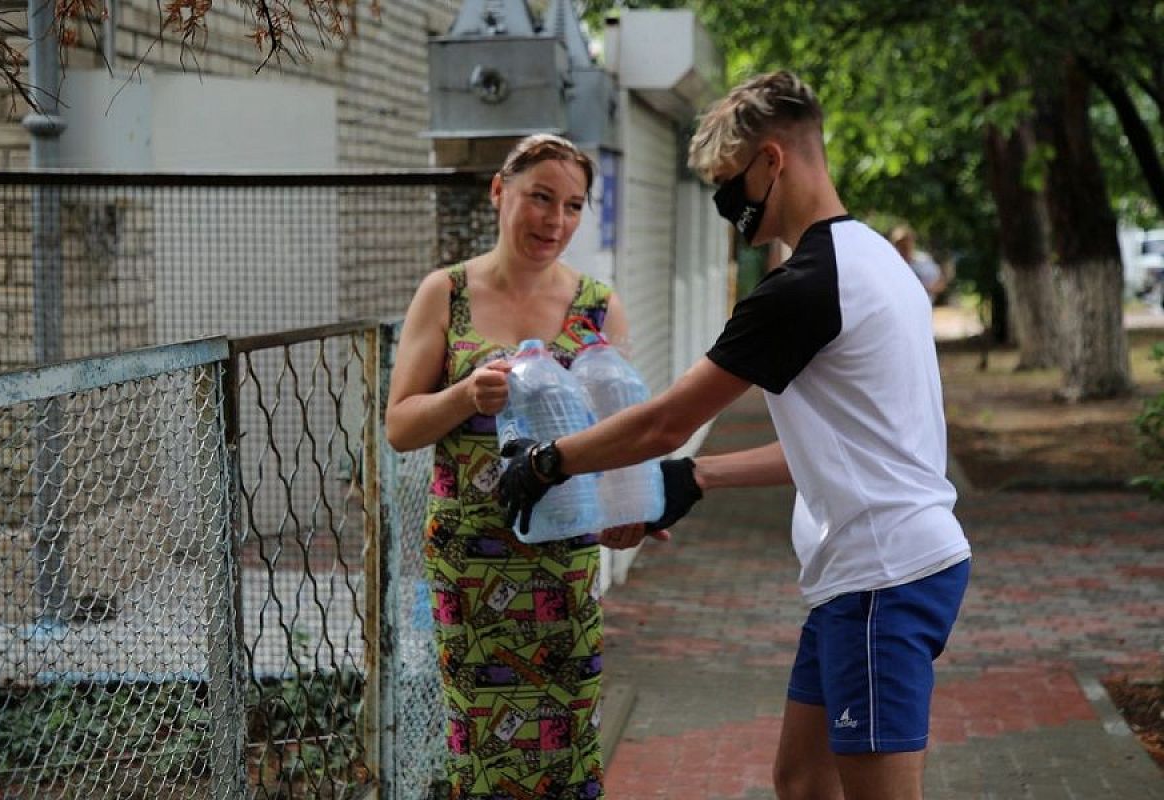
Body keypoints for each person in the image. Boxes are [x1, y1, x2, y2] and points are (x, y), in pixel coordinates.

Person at [498, 72, 972, 800]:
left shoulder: (806, 288)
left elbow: (664, 421)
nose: (730, 211)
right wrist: (698, 478)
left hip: (883, 579)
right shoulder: (875, 260)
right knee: (802, 780)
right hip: (871, 572)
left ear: (772, 162)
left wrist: (547, 461)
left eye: (729, 189)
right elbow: (845, 447)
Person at [385, 133, 658, 800]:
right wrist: (462, 394)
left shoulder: (597, 305)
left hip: (562, 558)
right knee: (479, 748)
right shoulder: (444, 293)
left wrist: (632, 512)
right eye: (540, 198)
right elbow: (399, 426)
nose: (555, 222)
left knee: (569, 739)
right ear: (500, 192)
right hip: (470, 562)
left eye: (571, 206)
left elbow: (616, 435)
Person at [889, 224, 948, 303]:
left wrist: (923, 289)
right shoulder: (891, 264)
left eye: (907, 241)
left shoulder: (923, 260)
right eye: (900, 243)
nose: (905, 246)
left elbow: (941, 284)